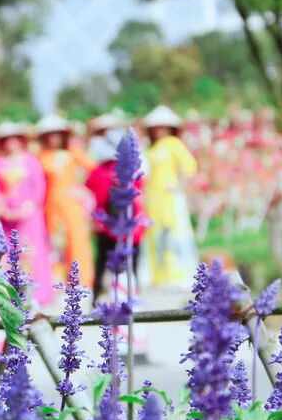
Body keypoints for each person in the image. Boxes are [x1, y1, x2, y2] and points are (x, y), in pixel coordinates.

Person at [0, 124, 56, 306]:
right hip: (6, 221)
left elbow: (39, 187)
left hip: (29, 218)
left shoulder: (30, 161)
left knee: (32, 252)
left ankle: (38, 295)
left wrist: (30, 206)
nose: (11, 142)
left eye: (15, 138)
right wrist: (2, 209)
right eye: (7, 139)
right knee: (9, 255)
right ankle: (13, 294)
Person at [34, 114, 95, 287]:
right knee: (56, 243)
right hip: (51, 205)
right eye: (50, 134)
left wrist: (84, 191)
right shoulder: (40, 156)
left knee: (77, 240)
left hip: (71, 203)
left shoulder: (73, 152)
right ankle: (60, 283)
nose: (54, 137)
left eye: (58, 133)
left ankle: (82, 281)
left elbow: (95, 172)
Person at [85, 134, 148, 303]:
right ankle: (128, 295)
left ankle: (107, 295)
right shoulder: (125, 168)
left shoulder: (102, 170)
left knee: (110, 261)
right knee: (125, 261)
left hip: (117, 223)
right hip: (120, 223)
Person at [141, 105, 199, 288]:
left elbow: (189, 166)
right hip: (153, 198)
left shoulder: (174, 144)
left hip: (171, 198)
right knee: (155, 236)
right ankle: (160, 275)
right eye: (156, 128)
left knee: (177, 234)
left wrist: (179, 185)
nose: (160, 131)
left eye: (163, 127)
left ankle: (182, 274)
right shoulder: (150, 149)